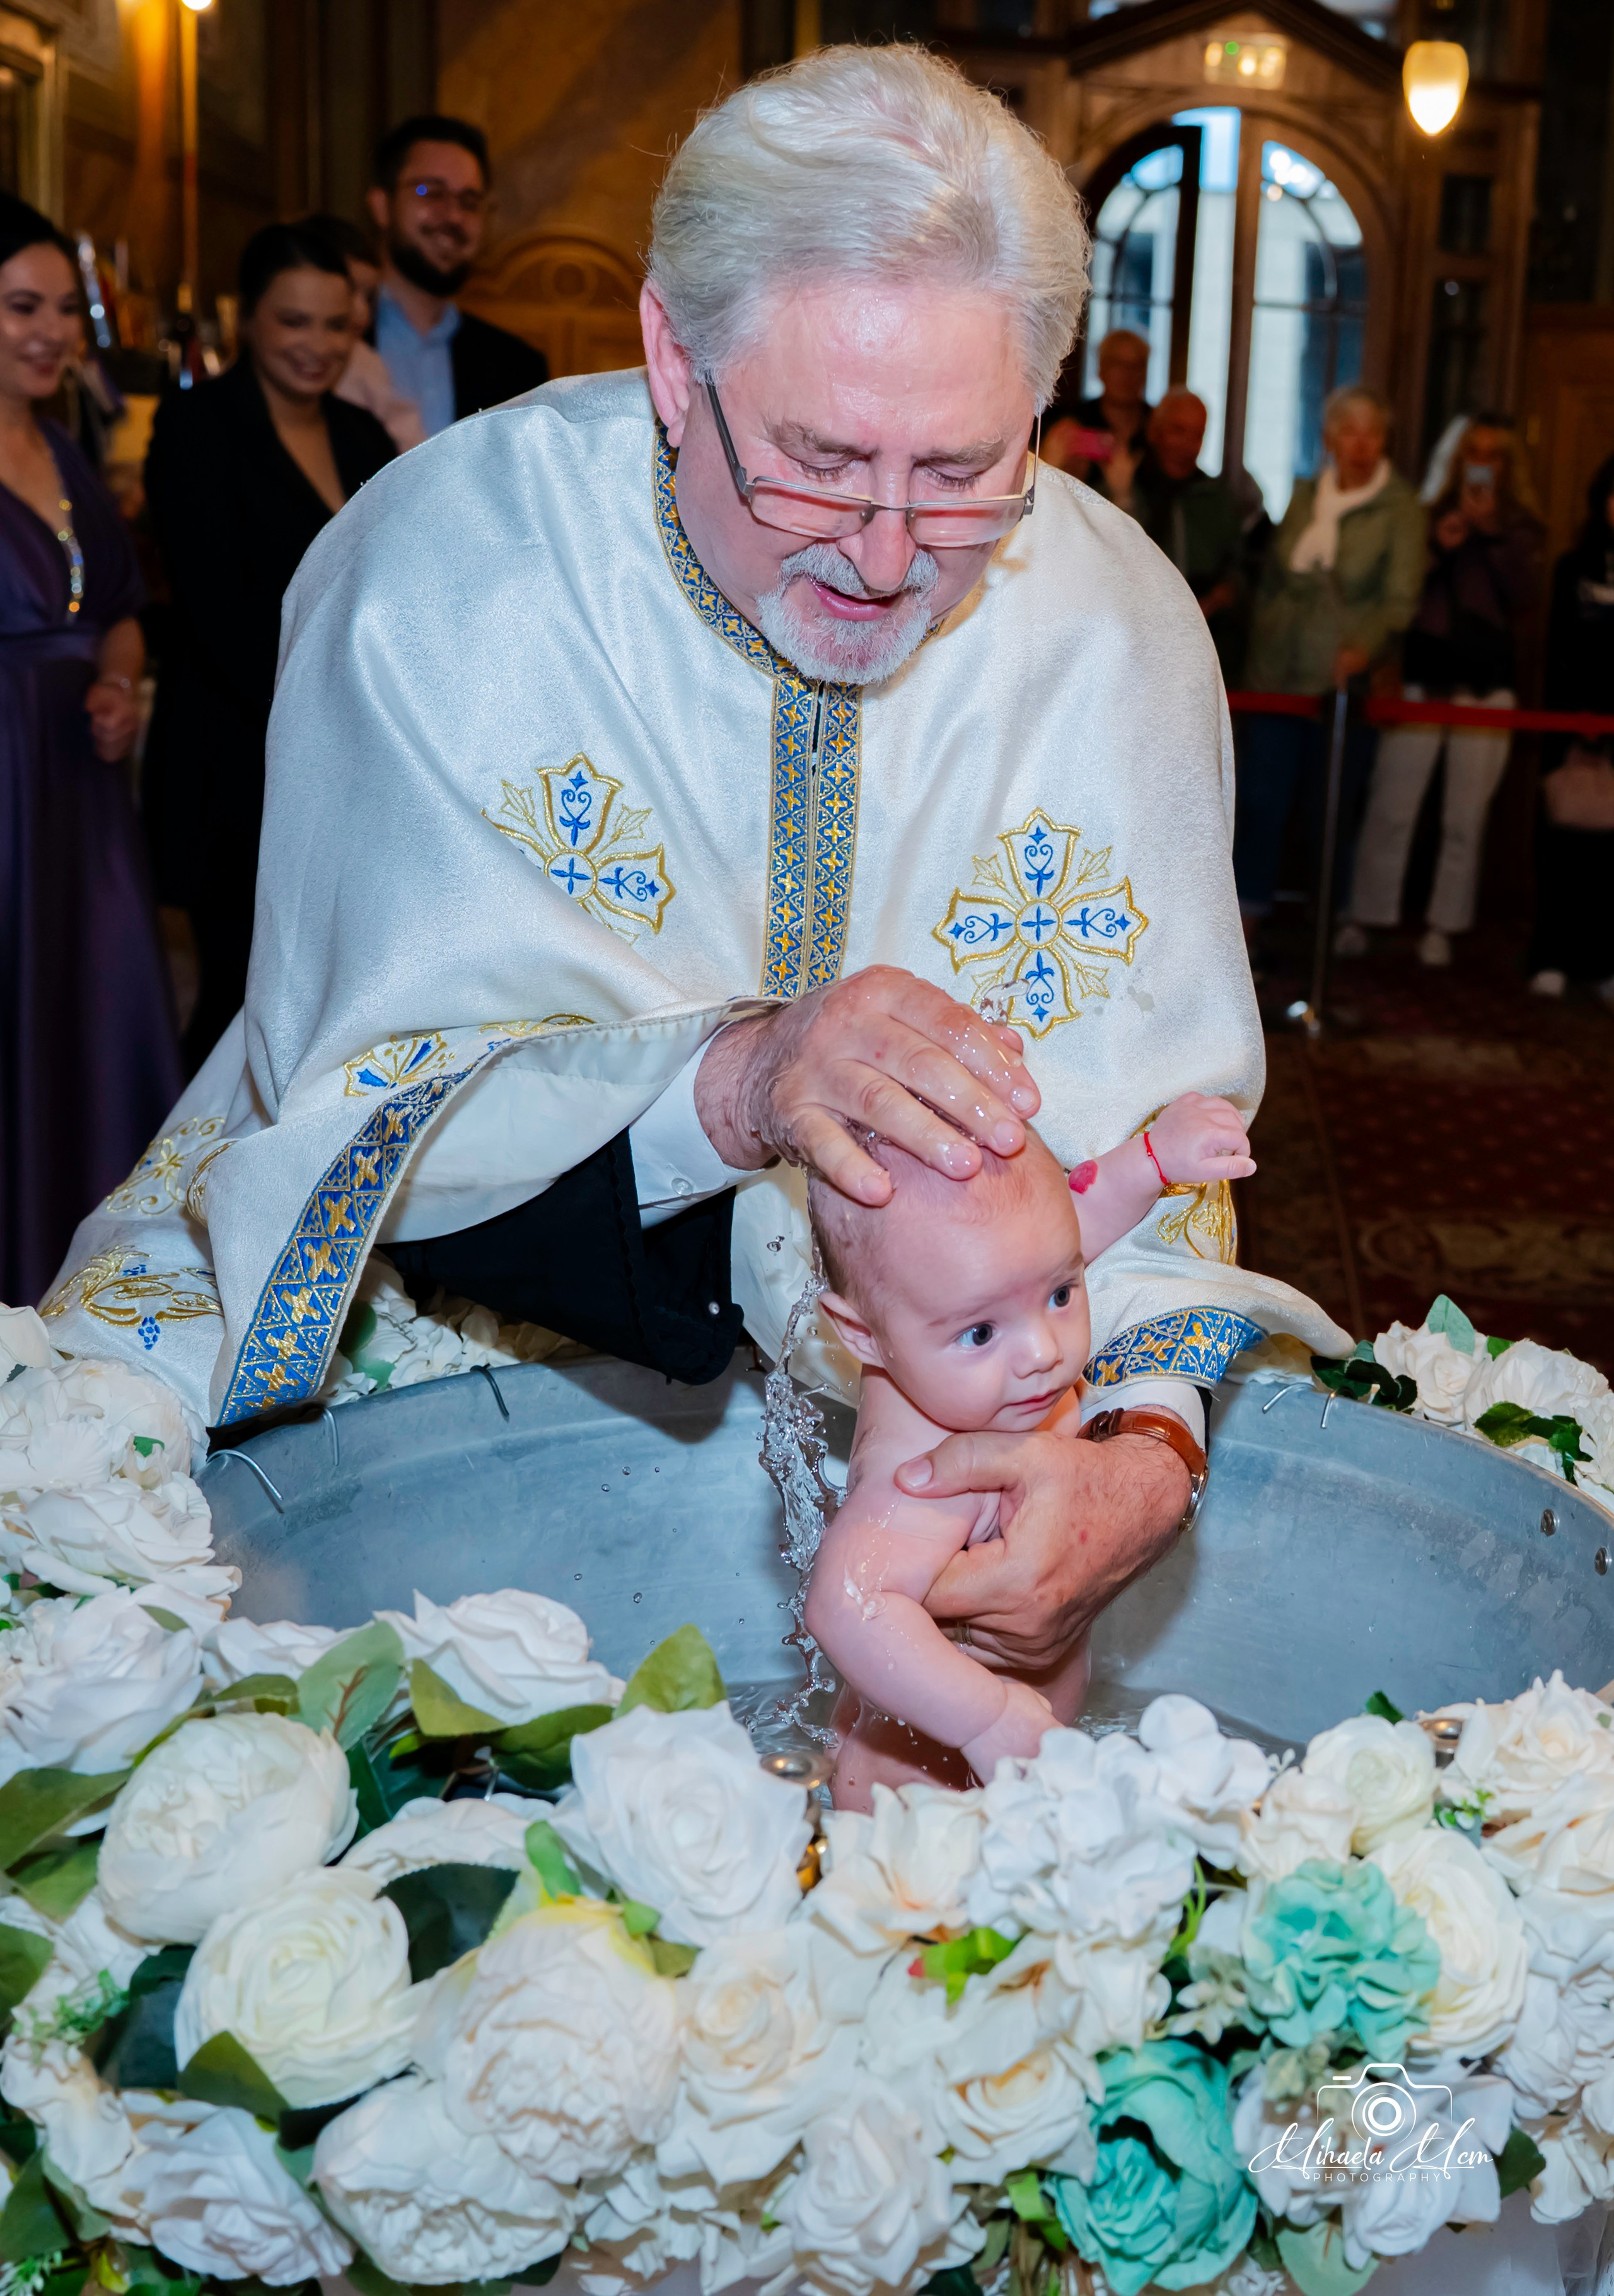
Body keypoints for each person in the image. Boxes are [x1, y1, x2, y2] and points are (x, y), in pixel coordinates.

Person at [49, 50, 1343, 1689]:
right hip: (458, 1335)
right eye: (817, 461)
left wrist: (1145, 1450)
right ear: (674, 355)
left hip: (985, 1362)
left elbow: (1152, 1126)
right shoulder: (439, 577)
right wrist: (733, 1081)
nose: (884, 558)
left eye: (961, 475)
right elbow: (363, 1119)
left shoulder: (1112, 622)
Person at [806, 1093, 1253, 1808]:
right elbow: (845, 1603)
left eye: (1061, 1294)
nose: (1043, 1353)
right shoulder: (926, 1466)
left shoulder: (974, 1309)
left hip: (984, 1751)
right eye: (980, 1333)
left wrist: (1151, 1161)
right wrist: (983, 1716)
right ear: (860, 1335)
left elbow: (1069, 1227)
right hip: (925, 1772)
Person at [142, 223, 395, 1071]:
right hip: (234, 768)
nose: (318, 346)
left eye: (336, 324)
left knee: (330, 1001)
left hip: (349, 767)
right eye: (294, 322)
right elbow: (222, 617)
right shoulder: (194, 428)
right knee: (234, 1006)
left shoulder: (367, 438)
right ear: (246, 320)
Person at [0, 194, 180, 1306]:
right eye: (23, 306)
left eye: (68, 309)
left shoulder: (64, 443)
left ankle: (87, 1298)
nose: (53, 331)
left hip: (81, 792)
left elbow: (117, 603)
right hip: (8, 793)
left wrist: (116, 679)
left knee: (88, 1019)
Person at [1339, 414, 1543, 969]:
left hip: (1487, 686)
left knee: (1464, 817)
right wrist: (1439, 543)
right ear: (1454, 460)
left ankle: (1443, 927)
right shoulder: (1421, 516)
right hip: (1422, 679)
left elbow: (1526, 599)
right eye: (1472, 453)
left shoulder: (1522, 527)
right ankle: (1366, 915)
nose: (1482, 463)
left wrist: (1493, 534)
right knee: (1393, 805)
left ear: (1507, 465)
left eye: (1493, 454)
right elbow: (1401, 591)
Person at [1234, 385, 1425, 940]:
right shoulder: (1305, 493)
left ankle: (1327, 929)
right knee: (1262, 802)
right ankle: (1248, 928)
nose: (1360, 444)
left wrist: (1362, 646)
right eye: (1349, 431)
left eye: (1372, 432)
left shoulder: (1401, 508)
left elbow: (1400, 601)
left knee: (1332, 810)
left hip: (1342, 684)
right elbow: (1272, 577)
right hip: (1275, 675)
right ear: (1330, 439)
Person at [366, 115, 547, 435]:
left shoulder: (519, 370)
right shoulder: (326, 345)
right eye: (430, 192)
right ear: (382, 206)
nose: (453, 216)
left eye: (469, 201)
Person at [1526, 451, 1614, 1003]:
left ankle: (1606, 965)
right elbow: (1560, 651)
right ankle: (1552, 955)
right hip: (1571, 726)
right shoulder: (1572, 567)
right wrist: (1578, 722)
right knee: (1564, 852)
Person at [1131, 387, 1245, 681]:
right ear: (1155, 431)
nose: (1187, 444)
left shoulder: (1216, 499)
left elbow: (1239, 567)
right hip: (1135, 635)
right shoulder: (1127, 488)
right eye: (1178, 431)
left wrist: (1219, 598)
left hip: (1202, 641)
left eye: (1198, 435)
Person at [301, 212, 426, 454]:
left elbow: (408, 437)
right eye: (349, 291)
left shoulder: (366, 363)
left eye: (369, 297)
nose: (362, 311)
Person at [1043, 327, 1151, 511]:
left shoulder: (1157, 428)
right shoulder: (1074, 423)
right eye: (1118, 364)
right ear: (1100, 368)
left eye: (1136, 366)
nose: (1127, 375)